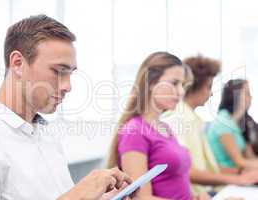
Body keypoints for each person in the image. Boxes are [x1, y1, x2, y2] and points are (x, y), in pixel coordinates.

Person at [0, 14, 134, 200]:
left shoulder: (43, 133)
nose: (68, 86)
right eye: (59, 71)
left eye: (70, 74)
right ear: (18, 63)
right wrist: (81, 193)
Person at [107, 52, 209, 200]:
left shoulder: (165, 128)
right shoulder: (134, 131)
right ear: (151, 82)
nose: (181, 92)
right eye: (174, 83)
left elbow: (174, 185)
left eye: (182, 85)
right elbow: (141, 198)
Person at [162, 55, 258, 197]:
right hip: (197, 194)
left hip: (206, 191)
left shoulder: (194, 120)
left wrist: (240, 174)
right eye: (208, 87)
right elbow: (184, 171)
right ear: (194, 85)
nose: (211, 93)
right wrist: (238, 178)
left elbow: (207, 168)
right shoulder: (179, 121)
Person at [207, 79, 258, 170]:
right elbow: (239, 162)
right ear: (235, 96)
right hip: (227, 179)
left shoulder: (236, 123)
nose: (251, 97)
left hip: (242, 175)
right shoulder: (223, 122)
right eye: (247, 93)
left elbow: (250, 157)